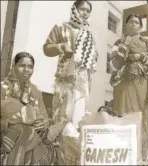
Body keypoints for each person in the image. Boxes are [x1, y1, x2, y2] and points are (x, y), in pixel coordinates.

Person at [43, 0, 98, 163]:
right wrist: (61, 47)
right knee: (62, 118)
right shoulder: (62, 27)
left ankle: (72, 159)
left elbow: (94, 58)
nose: (86, 12)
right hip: (65, 80)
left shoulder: (90, 33)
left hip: (82, 82)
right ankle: (58, 158)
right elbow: (47, 48)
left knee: (77, 119)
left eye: (88, 10)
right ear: (74, 9)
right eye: (82, 9)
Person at [0, 52, 61, 165]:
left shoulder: (35, 91)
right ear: (14, 66)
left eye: (30, 67)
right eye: (22, 65)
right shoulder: (4, 87)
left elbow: (43, 116)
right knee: (22, 130)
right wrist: (13, 120)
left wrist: (44, 122)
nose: (26, 69)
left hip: (32, 133)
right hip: (7, 130)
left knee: (27, 131)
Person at [109, 13, 148, 138]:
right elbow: (113, 64)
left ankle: (140, 151)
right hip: (122, 83)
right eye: (131, 21)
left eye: (136, 22)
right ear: (126, 25)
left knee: (140, 115)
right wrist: (124, 47)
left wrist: (142, 57)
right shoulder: (118, 42)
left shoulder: (147, 42)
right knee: (121, 114)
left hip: (141, 83)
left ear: (141, 27)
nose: (133, 24)